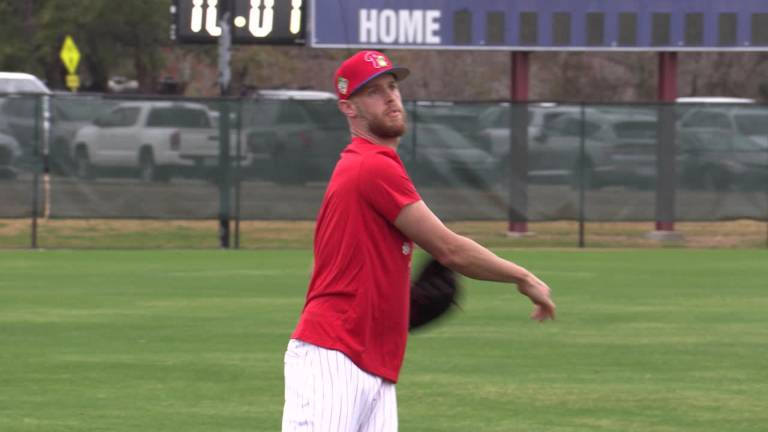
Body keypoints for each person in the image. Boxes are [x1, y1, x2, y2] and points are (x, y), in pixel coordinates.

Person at [281, 50, 556, 432]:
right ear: (349, 108)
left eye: (392, 86)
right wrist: (522, 277)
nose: (390, 97)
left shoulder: (372, 163)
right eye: (374, 91)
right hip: (335, 354)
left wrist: (397, 306)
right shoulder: (370, 164)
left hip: (370, 359)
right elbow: (450, 249)